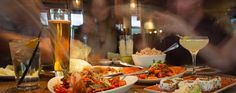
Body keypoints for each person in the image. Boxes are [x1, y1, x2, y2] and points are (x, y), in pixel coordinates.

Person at [157, 0, 231, 66]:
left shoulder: (216, 27)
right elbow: (157, 60)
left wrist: (186, 31)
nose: (177, 5)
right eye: (174, 1)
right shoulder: (172, 32)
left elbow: (224, 63)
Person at [0, 0, 53, 67]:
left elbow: (43, 36)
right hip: (11, 72)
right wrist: (32, 46)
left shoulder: (35, 4)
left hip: (37, 71)